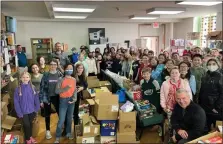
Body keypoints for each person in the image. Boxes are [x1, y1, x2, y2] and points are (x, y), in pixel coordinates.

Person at [39, 59, 63, 140]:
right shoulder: (45, 75)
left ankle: (61, 127)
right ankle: (48, 131)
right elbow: (42, 87)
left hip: (57, 97)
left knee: (60, 113)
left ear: (57, 65)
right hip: (47, 97)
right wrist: (41, 100)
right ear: (49, 65)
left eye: (54, 64)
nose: (53, 66)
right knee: (47, 115)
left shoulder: (60, 74)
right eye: (51, 64)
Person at [14, 71, 40, 144]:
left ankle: (30, 137)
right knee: (26, 125)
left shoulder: (32, 87)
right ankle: (28, 139)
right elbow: (16, 102)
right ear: (21, 78)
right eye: (23, 77)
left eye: (27, 77)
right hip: (23, 112)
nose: (25, 78)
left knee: (30, 124)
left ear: (30, 78)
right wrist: (19, 112)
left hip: (32, 111)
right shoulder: (18, 89)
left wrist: (36, 108)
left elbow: (36, 99)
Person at [54, 64, 77, 143]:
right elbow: (56, 91)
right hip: (63, 101)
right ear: (65, 69)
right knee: (61, 120)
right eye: (68, 68)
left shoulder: (74, 79)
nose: (70, 70)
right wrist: (65, 89)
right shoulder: (61, 79)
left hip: (71, 101)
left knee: (70, 118)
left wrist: (75, 98)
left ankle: (68, 133)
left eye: (71, 69)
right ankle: (57, 136)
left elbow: (74, 90)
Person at [199, 58, 223, 131]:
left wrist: (217, 107)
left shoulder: (220, 77)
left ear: (218, 65)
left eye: (213, 64)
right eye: (209, 64)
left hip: (214, 107)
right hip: (204, 106)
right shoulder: (205, 76)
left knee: (217, 128)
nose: (211, 66)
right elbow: (202, 91)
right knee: (206, 126)